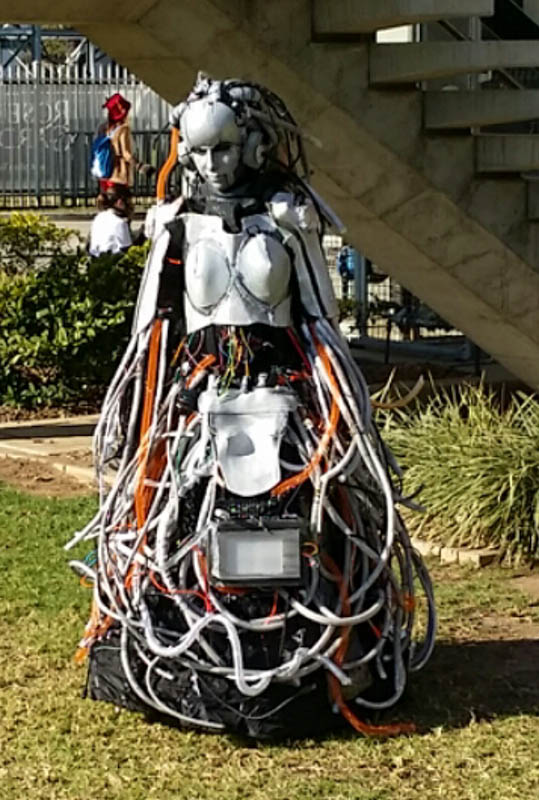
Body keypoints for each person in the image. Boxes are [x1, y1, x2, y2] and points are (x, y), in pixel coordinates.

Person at [68, 75, 435, 738]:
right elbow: (150, 330)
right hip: (201, 396)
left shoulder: (290, 214)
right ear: (186, 154)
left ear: (255, 144)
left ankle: (320, 653)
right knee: (184, 520)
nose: (214, 164)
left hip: (287, 397)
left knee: (315, 521)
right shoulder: (176, 222)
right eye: (201, 152)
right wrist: (135, 415)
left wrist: (345, 407)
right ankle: (192, 643)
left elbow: (321, 318)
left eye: (226, 148)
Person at [88, 185, 132, 257]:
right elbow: (127, 248)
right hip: (110, 260)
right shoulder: (120, 223)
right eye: (127, 202)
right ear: (119, 202)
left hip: (95, 258)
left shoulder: (98, 217)